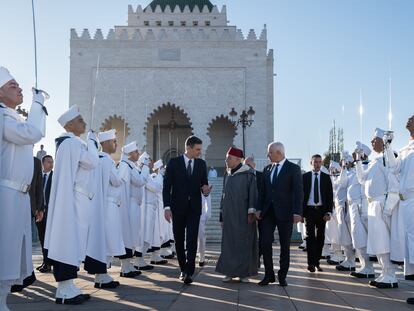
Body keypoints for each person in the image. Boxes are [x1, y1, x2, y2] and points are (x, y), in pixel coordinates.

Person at [0, 66, 47, 311]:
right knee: (4, 248)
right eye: (12, 86)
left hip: (17, 196)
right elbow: (32, 132)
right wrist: (38, 102)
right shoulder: (3, 118)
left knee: (14, 249)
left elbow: (35, 132)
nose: (19, 88)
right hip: (5, 195)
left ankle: (2, 300)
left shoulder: (12, 118)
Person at [44, 105, 99, 304]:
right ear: (69, 125)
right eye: (80, 120)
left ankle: (69, 286)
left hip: (76, 199)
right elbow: (92, 162)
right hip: (75, 201)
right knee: (69, 240)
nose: (84, 123)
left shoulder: (69, 144)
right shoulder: (73, 144)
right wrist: (93, 142)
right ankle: (64, 289)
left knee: (71, 241)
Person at [163, 135, 210, 285]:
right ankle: (182, 268)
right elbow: (166, 187)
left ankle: (189, 271)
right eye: (197, 149)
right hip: (177, 208)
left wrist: (206, 191)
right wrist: (167, 207)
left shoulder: (202, 164)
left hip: (194, 208)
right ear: (188, 148)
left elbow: (204, 186)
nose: (199, 152)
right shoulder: (173, 163)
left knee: (191, 240)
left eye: (200, 149)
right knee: (179, 240)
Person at [256, 142, 303, 287]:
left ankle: (282, 276)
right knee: (264, 242)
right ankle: (268, 275)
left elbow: (298, 192)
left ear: (279, 153)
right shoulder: (267, 169)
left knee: (284, 246)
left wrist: (297, 212)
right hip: (268, 212)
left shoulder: (293, 169)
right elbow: (262, 192)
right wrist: (258, 209)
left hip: (286, 213)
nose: (267, 155)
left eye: (270, 153)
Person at [356, 128, 397, 288]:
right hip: (372, 204)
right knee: (377, 242)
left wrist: (389, 206)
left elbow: (393, 180)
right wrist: (358, 162)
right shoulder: (375, 160)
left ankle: (391, 275)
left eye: (375, 140)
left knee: (383, 241)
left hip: (381, 203)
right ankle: (384, 273)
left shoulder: (387, 158)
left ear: (383, 141)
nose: (372, 142)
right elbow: (362, 179)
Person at [216, 147, 258, 282]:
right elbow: (224, 195)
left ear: (238, 159)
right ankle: (229, 272)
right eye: (226, 157)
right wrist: (221, 215)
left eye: (229, 158)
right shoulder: (227, 174)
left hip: (243, 216)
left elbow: (253, 193)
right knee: (228, 244)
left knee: (244, 243)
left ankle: (244, 273)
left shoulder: (248, 174)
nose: (226, 160)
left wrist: (251, 212)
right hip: (229, 216)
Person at [384, 116, 414, 304]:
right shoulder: (405, 149)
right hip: (406, 203)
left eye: (412, 118)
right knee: (410, 246)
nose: (408, 120)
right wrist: (388, 147)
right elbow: (394, 168)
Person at [90, 129, 123, 289]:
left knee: (104, 239)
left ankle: (102, 274)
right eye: (113, 141)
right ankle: (102, 275)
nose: (116, 144)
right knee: (108, 239)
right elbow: (116, 181)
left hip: (102, 204)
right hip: (109, 205)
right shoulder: (107, 160)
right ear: (104, 143)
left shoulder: (98, 159)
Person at [118, 142, 151, 273]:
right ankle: (125, 267)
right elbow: (140, 181)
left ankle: (128, 264)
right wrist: (146, 168)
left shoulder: (131, 166)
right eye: (136, 152)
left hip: (134, 204)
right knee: (129, 235)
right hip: (130, 205)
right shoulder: (127, 166)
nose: (138, 154)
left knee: (132, 235)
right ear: (130, 154)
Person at [346, 143, 375, 278]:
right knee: (357, 237)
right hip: (353, 207)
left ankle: (368, 267)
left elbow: (363, 183)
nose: (354, 154)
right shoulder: (355, 169)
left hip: (361, 206)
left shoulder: (365, 167)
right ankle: (364, 266)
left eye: (357, 152)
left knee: (362, 237)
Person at [303, 155, 333, 272]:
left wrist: (328, 212)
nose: (317, 164)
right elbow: (301, 195)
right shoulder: (305, 177)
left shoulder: (326, 177)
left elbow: (330, 196)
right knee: (310, 237)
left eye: (320, 162)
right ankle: (310, 263)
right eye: (315, 162)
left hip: (322, 211)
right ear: (311, 163)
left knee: (321, 237)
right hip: (309, 210)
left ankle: (317, 262)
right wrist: (300, 213)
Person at [333, 152, 356, 272]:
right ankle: (348, 259)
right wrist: (342, 169)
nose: (345, 163)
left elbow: (343, 183)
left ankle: (352, 261)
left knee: (350, 237)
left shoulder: (353, 173)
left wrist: (343, 169)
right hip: (341, 208)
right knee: (344, 236)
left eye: (346, 161)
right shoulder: (344, 173)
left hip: (348, 207)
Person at [143, 157, 168, 265]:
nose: (163, 169)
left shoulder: (156, 177)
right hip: (155, 207)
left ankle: (156, 255)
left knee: (159, 233)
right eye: (161, 167)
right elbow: (157, 188)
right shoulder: (155, 177)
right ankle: (152, 256)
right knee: (155, 234)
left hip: (157, 207)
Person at [37, 155, 54, 273]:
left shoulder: (55, 177)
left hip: (51, 213)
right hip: (39, 213)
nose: (51, 164)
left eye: (52, 162)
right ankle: (45, 261)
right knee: (42, 238)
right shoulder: (38, 177)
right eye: (49, 162)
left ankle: (48, 264)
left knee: (49, 239)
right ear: (43, 163)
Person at [198, 189, 212, 267]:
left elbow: (207, 199)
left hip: (201, 215)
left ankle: (201, 257)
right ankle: (190, 256)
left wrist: (207, 214)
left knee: (201, 237)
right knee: (190, 237)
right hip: (190, 214)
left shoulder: (203, 184)